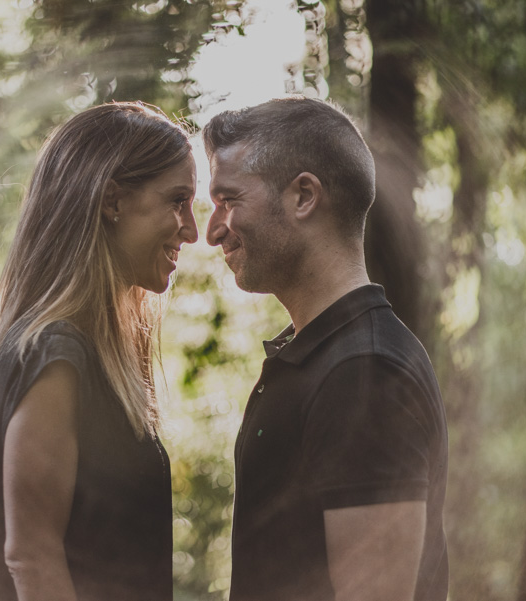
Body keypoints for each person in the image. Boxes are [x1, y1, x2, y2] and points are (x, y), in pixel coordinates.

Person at [203, 96, 448, 601]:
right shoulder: (321, 357)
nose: (212, 231)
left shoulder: (365, 373)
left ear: (303, 196)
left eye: (228, 199)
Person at [0, 102, 198, 601]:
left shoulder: (90, 352)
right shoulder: (55, 353)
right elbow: (31, 558)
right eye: (178, 201)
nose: (192, 229)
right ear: (111, 201)